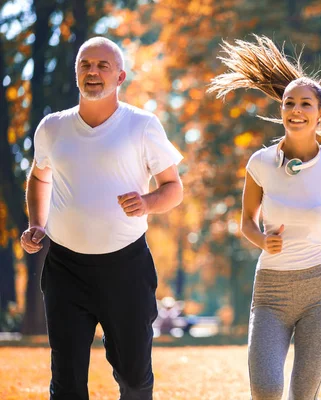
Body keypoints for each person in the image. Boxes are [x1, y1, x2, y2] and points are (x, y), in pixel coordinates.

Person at [20, 37, 183, 400]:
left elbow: (173, 187)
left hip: (126, 268)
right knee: (66, 382)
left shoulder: (142, 125)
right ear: (76, 72)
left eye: (102, 66)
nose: (93, 72)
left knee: (134, 378)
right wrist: (36, 224)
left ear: (120, 76)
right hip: (65, 268)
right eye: (85, 65)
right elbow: (39, 176)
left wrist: (147, 202)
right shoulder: (51, 127)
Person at [208, 35, 321, 400]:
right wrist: (261, 240)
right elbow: (246, 220)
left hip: (318, 293)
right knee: (266, 389)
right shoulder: (260, 162)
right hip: (271, 292)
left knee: (301, 395)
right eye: (289, 103)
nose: (296, 109)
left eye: (305, 104)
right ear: (281, 109)